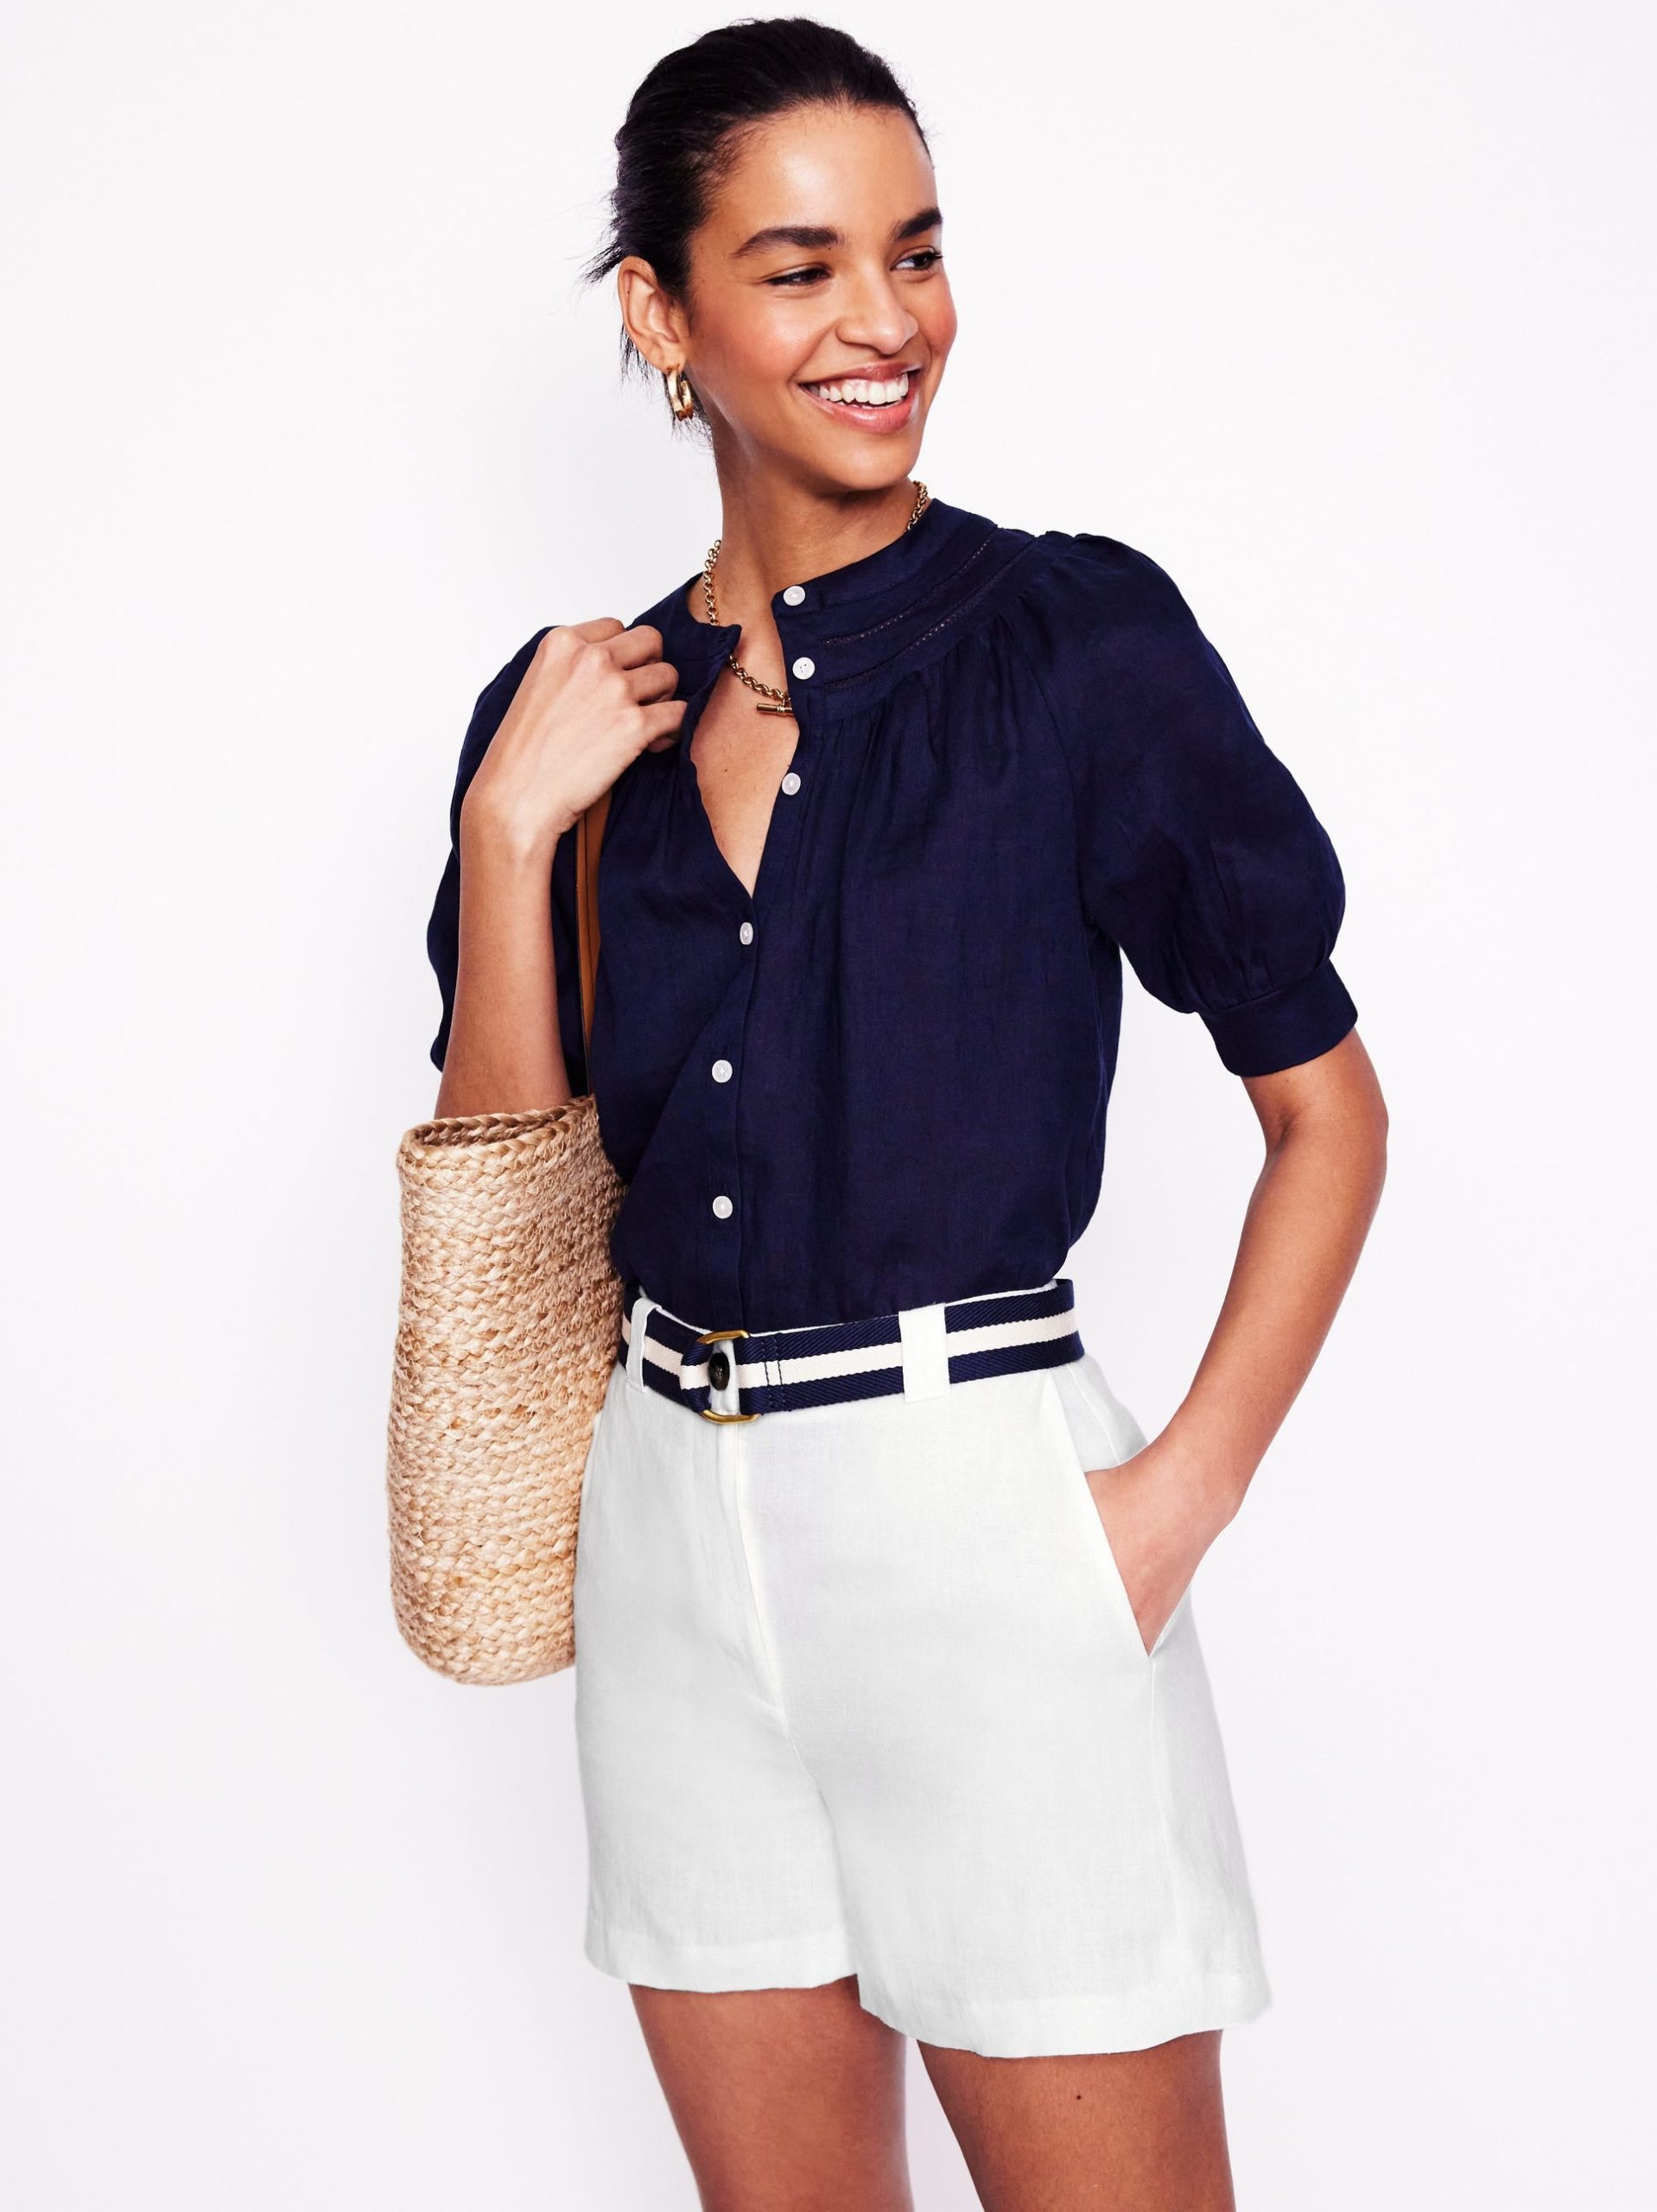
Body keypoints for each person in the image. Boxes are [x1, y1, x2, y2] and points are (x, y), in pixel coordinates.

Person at [424, 19, 1387, 2210]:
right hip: (667, 1544)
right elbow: (507, 1194)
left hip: (987, 1524)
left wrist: (1162, 1513)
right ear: (661, 311)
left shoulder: (1077, 644)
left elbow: (1329, 1113)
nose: (888, 320)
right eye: (801, 267)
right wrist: (508, 832)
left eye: (917, 252)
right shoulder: (569, 713)